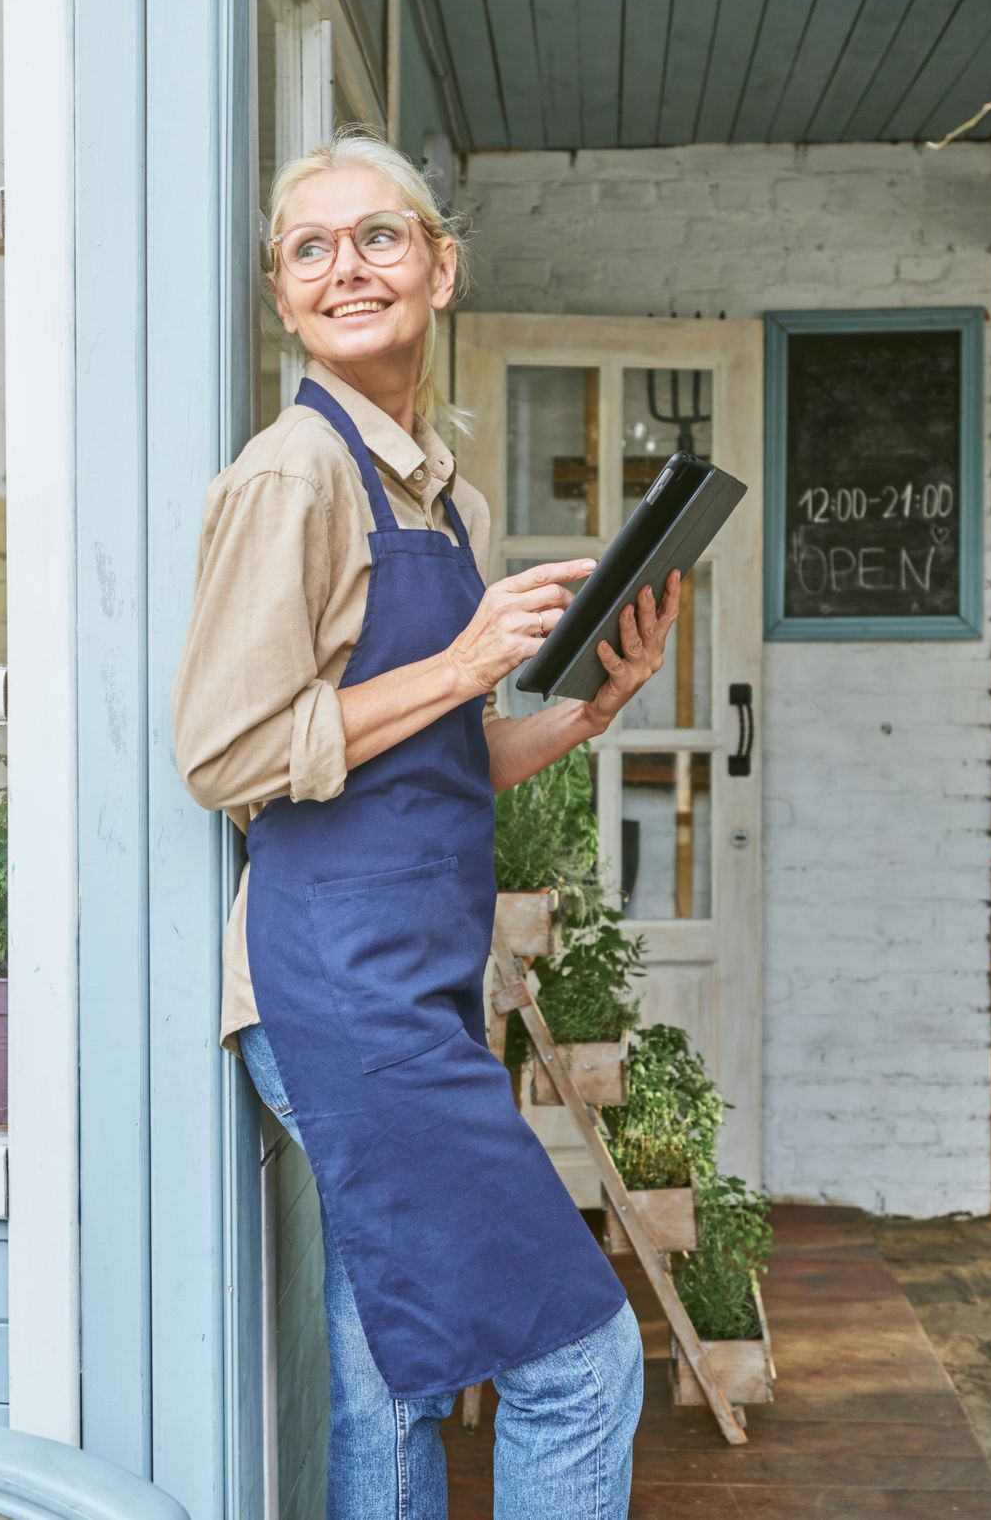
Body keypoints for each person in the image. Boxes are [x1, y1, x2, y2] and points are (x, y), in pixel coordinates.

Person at [170, 128, 682, 1520]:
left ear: (441, 268)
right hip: (340, 991)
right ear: (282, 295)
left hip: (411, 984)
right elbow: (225, 751)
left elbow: (429, 760)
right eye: (310, 248)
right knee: (581, 1357)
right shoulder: (295, 475)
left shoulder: (441, 493)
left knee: (388, 1370)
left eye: (379, 237)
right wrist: (461, 664)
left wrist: (578, 712)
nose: (347, 268)